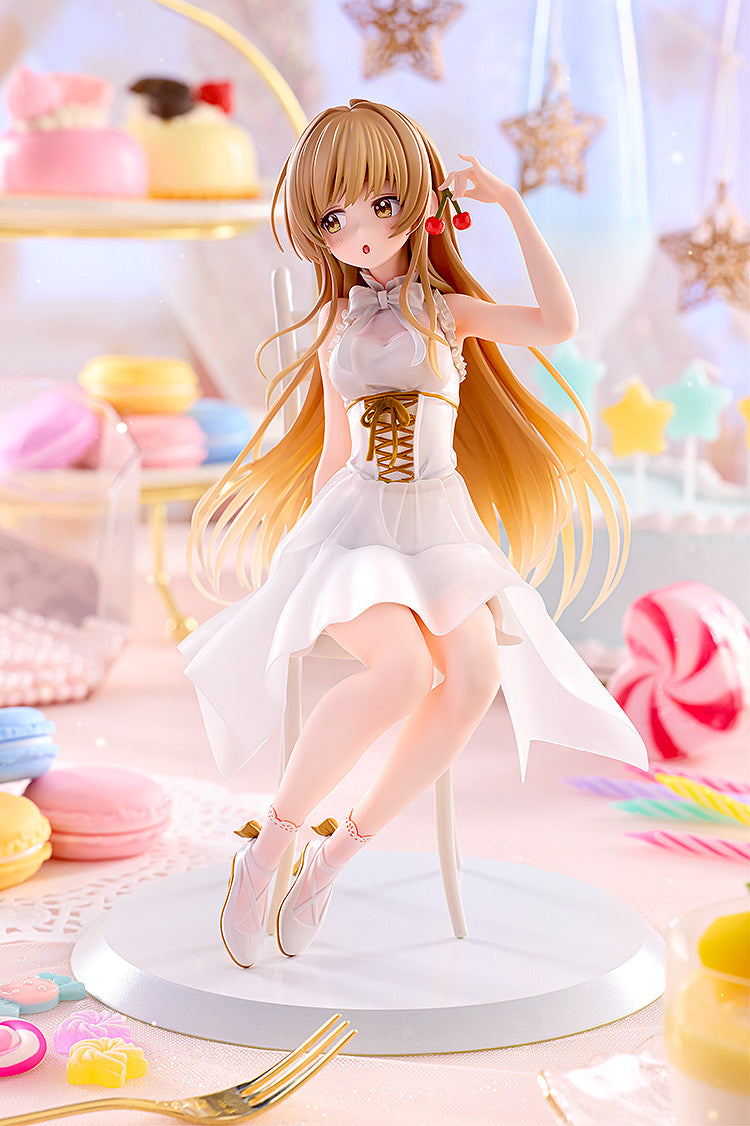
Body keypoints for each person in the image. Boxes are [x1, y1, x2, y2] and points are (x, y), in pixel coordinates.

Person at [181, 98, 646, 968]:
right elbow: (330, 455)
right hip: (353, 529)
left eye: (381, 205)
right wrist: (302, 560)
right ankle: (270, 846)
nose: (359, 233)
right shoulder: (341, 330)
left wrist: (512, 206)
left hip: (436, 529)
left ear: (422, 200)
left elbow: (558, 324)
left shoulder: (446, 314)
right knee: (401, 671)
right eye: (334, 219)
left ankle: (332, 858)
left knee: (473, 676)